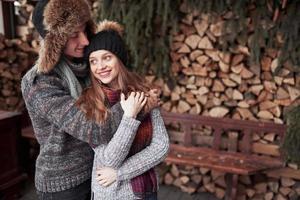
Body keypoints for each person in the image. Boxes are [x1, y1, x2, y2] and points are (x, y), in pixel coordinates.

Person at [21, 0, 160, 199]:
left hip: (99, 175)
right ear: (56, 41)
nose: (85, 41)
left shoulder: (90, 68)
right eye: (74, 34)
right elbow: (95, 129)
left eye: (85, 30)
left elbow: (119, 83)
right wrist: (138, 104)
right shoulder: (40, 83)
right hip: (65, 186)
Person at [78, 20, 169, 200]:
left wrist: (120, 173)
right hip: (112, 193)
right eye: (93, 61)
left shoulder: (143, 93)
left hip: (147, 189)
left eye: (107, 57)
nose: (100, 66)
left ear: (119, 59)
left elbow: (161, 146)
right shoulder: (90, 102)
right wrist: (130, 117)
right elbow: (109, 159)